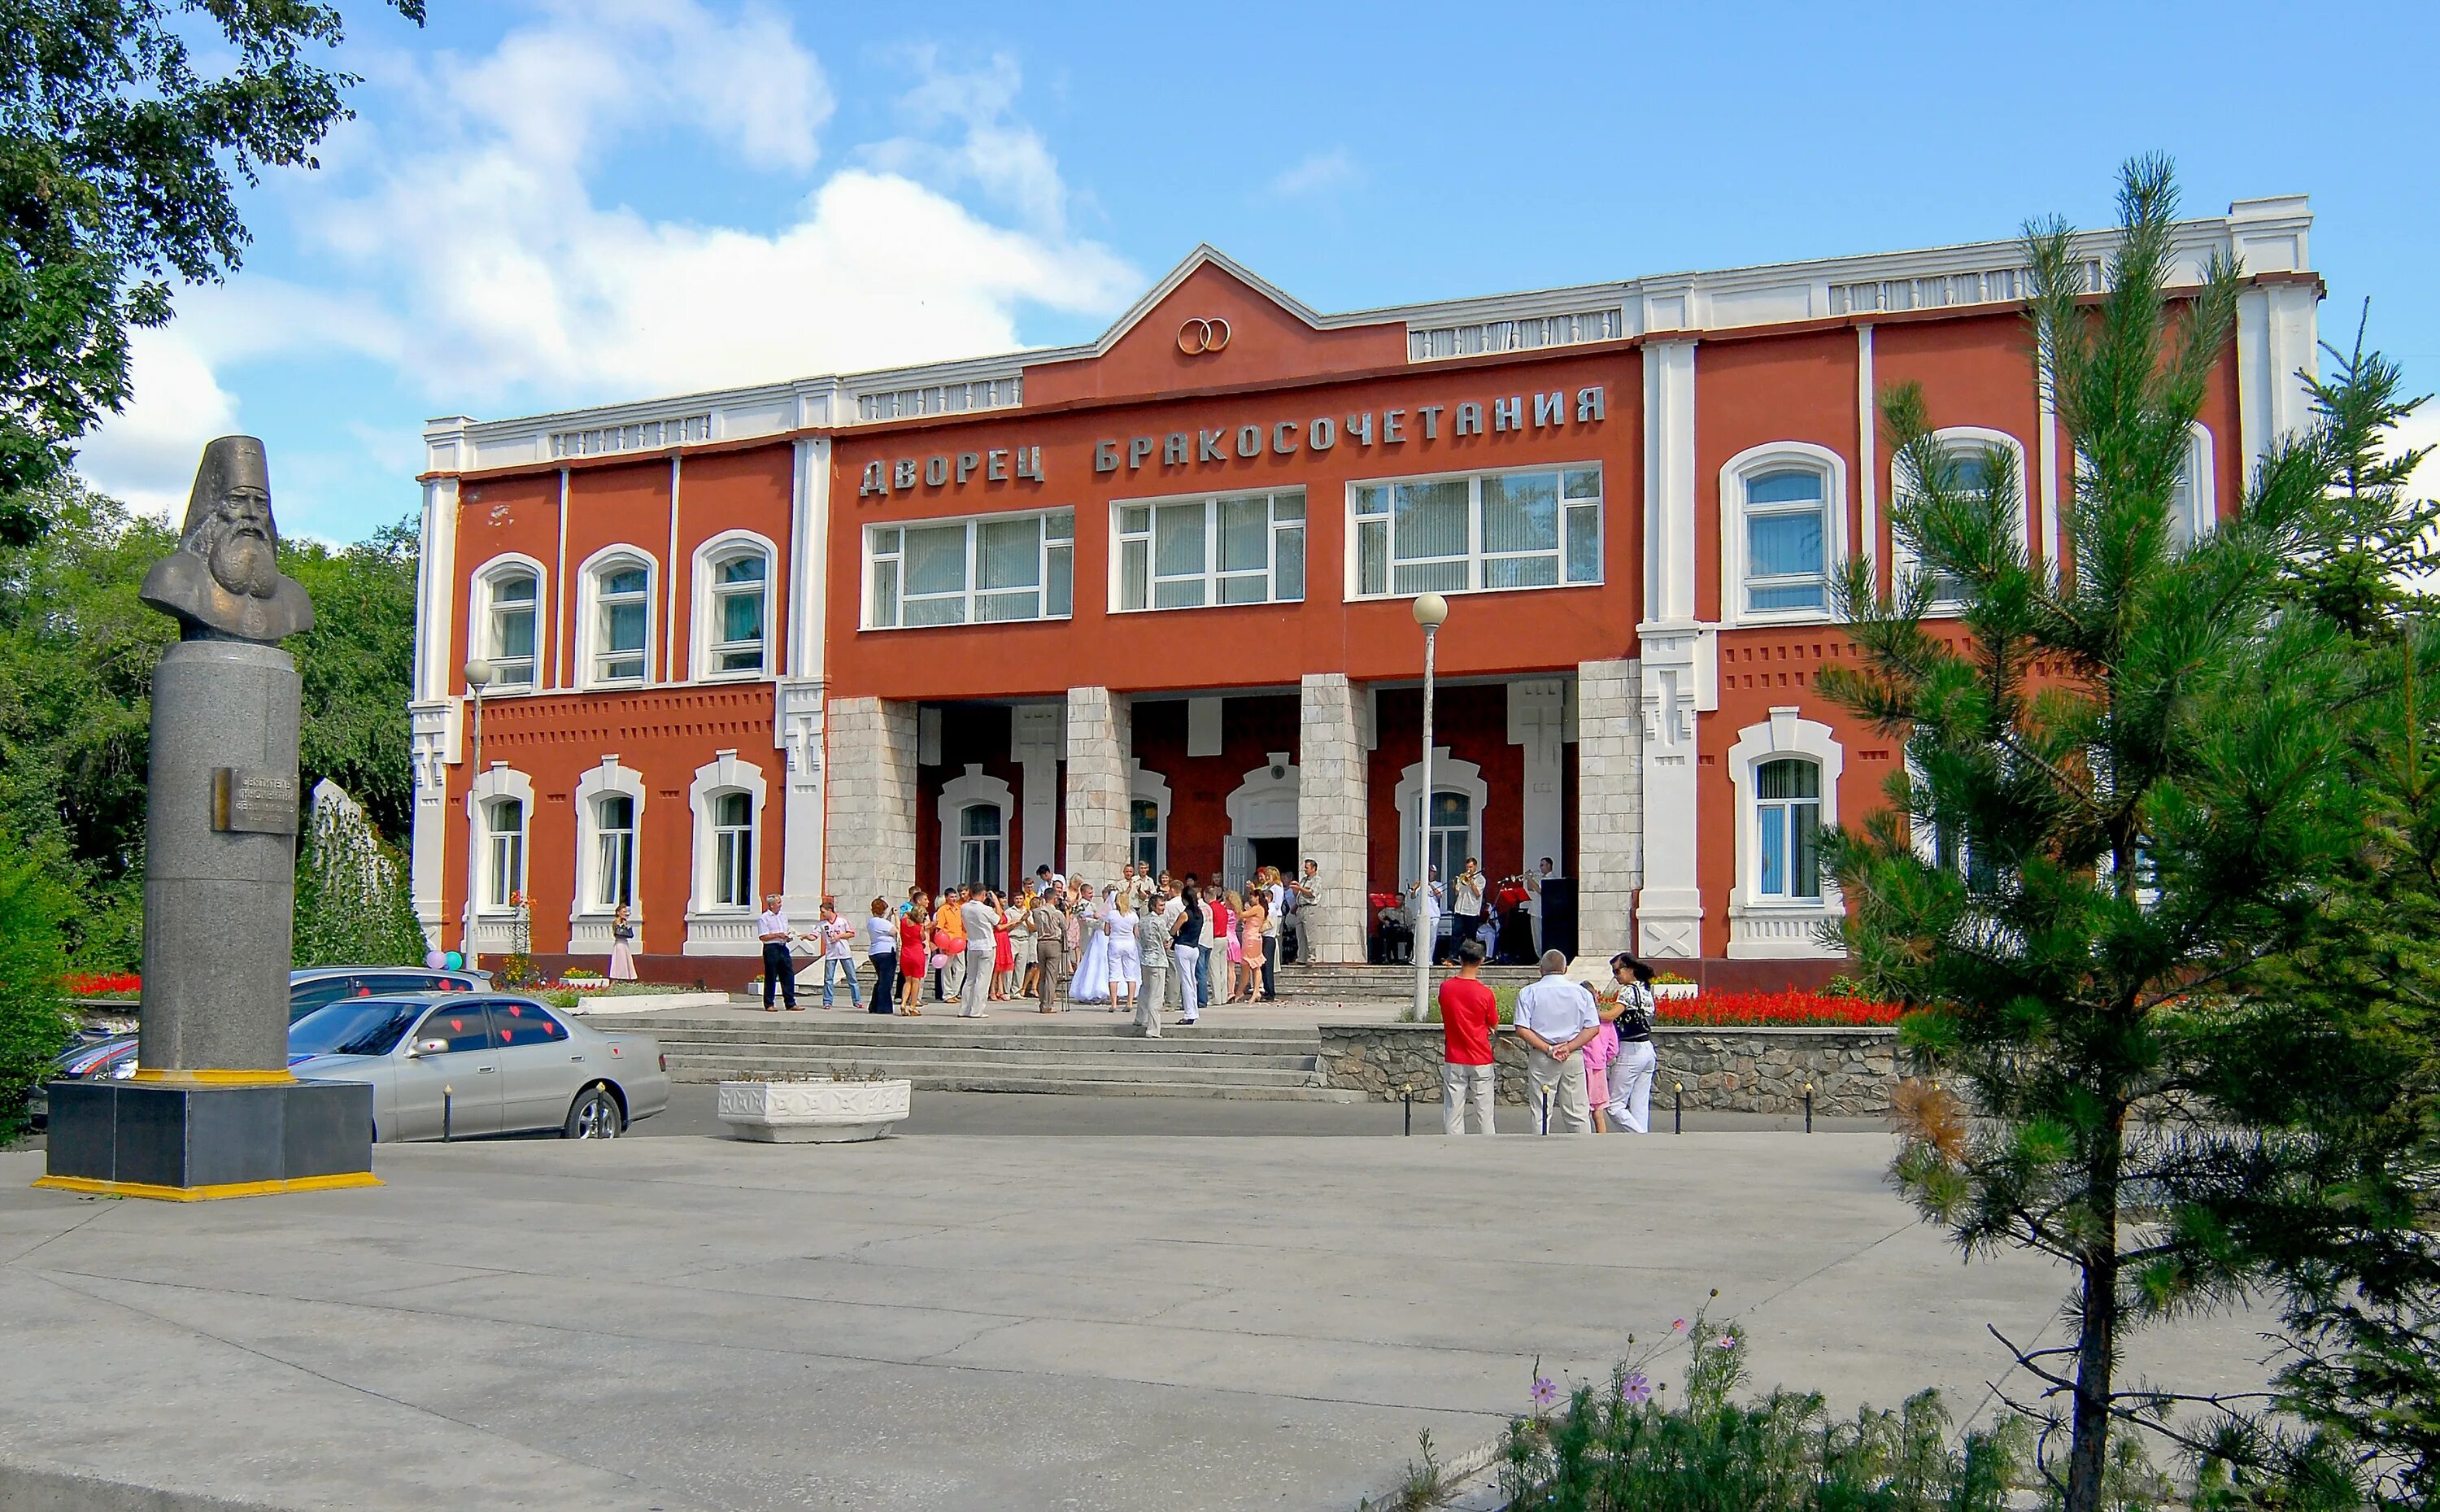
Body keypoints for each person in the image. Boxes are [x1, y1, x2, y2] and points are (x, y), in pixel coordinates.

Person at [1513, 949, 1598, 1132]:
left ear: (1541, 969)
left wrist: (1549, 1049)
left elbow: (1521, 1028)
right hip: (1572, 1054)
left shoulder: (1528, 992)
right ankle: (1583, 1149)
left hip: (1542, 1053)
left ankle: (1541, 1149)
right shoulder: (1581, 993)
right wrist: (1569, 1047)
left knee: (1541, 1110)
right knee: (1577, 1110)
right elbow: (1593, 1028)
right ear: (1565, 969)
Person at [1438, 939, 1499, 1134]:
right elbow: (1493, 1023)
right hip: (1480, 1056)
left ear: (1459, 959)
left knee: (1453, 1109)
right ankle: (1488, 1147)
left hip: (1455, 1055)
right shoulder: (1485, 993)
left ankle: (1454, 1148)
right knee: (1485, 1111)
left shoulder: (1446, 988)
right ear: (1481, 961)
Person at [1598, 954, 1660, 1134]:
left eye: (1617, 971)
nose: (1615, 976)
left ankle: (1640, 1137)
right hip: (1647, 1048)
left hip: (1631, 1049)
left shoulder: (1628, 990)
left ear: (1629, 969)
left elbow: (1611, 1015)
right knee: (1639, 1104)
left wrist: (1589, 1011)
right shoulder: (1646, 988)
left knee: (1615, 1106)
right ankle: (1642, 1139)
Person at [1168, 879, 1206, 1025]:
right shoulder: (1200, 913)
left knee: (1186, 981)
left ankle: (1189, 1013)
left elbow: (1173, 930)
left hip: (1183, 946)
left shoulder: (1185, 914)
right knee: (1191, 979)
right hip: (1194, 947)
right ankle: (1193, 1011)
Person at [1135, 883, 1172, 1036]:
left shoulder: (1142, 920)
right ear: (1153, 906)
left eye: (1163, 905)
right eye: (1160, 905)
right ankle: (1153, 1028)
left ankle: (1140, 1018)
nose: (1162, 908)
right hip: (1157, 960)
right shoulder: (1159, 921)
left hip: (1145, 959)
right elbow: (1166, 939)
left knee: (1145, 989)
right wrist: (1168, 943)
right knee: (1156, 996)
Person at [1068, 884, 1112, 1005]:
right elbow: (1086, 922)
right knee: (1090, 962)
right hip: (1088, 936)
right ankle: (1088, 989)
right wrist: (1098, 922)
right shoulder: (1082, 905)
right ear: (1083, 893)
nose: (1092, 895)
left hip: (1097, 936)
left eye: (1092, 893)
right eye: (1089, 893)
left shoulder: (1093, 905)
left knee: (1096, 963)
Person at [756, 892, 800, 1011]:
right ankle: (769, 1003)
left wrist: (787, 937)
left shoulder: (783, 916)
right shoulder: (764, 918)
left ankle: (790, 1003)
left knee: (788, 974)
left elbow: (786, 930)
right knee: (771, 975)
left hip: (783, 946)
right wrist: (777, 935)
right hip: (771, 948)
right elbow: (763, 937)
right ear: (771, 905)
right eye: (778, 902)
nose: (780, 905)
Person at [959, 887, 999, 1017]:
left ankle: (964, 1009)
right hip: (986, 945)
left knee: (970, 978)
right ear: (983, 894)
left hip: (972, 944)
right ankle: (977, 1010)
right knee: (983, 979)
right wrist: (996, 902)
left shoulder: (964, 907)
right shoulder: (985, 909)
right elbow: (999, 920)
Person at [1027, 887, 1067, 1013]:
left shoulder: (1037, 912)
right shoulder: (1057, 913)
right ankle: (1047, 1005)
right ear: (1055, 898)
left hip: (1041, 942)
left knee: (1043, 975)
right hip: (1053, 942)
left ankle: (1042, 1002)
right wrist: (1067, 913)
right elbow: (1065, 927)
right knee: (1051, 976)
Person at [1104, 887, 1142, 1017]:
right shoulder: (1133, 915)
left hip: (1115, 942)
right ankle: (1129, 1002)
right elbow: (1136, 933)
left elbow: (1107, 932)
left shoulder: (1111, 915)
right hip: (1129, 943)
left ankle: (1114, 1003)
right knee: (1130, 974)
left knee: (1114, 974)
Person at [817, 897, 861, 1009]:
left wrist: (840, 936)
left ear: (830, 911)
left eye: (823, 912)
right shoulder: (822, 924)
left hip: (844, 952)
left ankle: (857, 1000)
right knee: (828, 979)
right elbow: (814, 935)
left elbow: (851, 933)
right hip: (831, 953)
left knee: (852, 978)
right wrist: (807, 937)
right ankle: (827, 1001)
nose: (822, 914)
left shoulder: (842, 921)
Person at [931, 888, 967, 1003]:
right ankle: (947, 994)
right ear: (946, 897)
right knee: (947, 969)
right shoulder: (942, 910)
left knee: (961, 968)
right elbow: (939, 927)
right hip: (947, 941)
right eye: (951, 897)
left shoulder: (959, 908)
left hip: (959, 941)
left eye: (955, 897)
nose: (954, 899)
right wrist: (941, 944)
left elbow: (963, 925)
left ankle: (954, 992)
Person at [864, 897, 898, 1013]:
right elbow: (896, 931)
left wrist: (889, 918)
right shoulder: (882, 923)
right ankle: (884, 1007)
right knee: (886, 981)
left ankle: (874, 1005)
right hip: (886, 951)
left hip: (875, 951)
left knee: (881, 980)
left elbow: (884, 927)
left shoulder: (871, 922)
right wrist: (897, 917)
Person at [896, 893, 927, 1014]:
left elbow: (904, 915)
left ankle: (904, 1002)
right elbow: (923, 939)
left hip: (905, 953)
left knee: (907, 980)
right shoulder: (919, 928)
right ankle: (912, 1006)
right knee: (916, 982)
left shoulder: (904, 922)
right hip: (917, 953)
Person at [1236, 890, 1268, 1003]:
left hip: (1252, 939)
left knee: (1250, 965)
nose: (1250, 900)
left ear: (1257, 898)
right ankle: (1252, 992)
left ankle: (1244, 992)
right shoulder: (1255, 909)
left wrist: (1236, 903)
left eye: (1252, 897)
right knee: (1253, 966)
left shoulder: (1258, 908)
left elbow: (1242, 915)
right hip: (1251, 938)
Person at [1285, 859, 1318, 965]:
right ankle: (1302, 958)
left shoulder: (1316, 880)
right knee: (1300, 934)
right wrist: (1296, 890)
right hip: (1300, 908)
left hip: (1310, 908)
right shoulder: (1304, 880)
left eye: (1307, 868)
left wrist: (1300, 888)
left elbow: (1312, 893)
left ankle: (1312, 957)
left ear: (1313, 869)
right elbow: (1300, 894)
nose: (1305, 870)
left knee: (1310, 933)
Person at [1452, 859, 1487, 960]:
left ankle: (1471, 958)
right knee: (1456, 934)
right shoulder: (1462, 877)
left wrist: (1471, 882)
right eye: (1467, 867)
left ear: (1476, 867)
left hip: (1472, 911)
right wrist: (1455, 886)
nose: (1469, 869)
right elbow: (1457, 893)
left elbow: (1477, 894)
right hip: (1460, 909)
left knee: (1470, 936)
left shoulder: (1480, 879)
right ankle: (1454, 956)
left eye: (1471, 867)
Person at [991, 893, 1017, 1001]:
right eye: (1002, 898)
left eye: (1005, 897)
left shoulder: (1002, 910)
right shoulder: (994, 911)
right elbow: (999, 926)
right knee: (997, 966)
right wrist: (1011, 923)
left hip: (1004, 937)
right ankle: (992, 990)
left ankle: (1000, 990)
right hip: (998, 937)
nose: (1004, 900)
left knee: (1002, 966)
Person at [608, 903, 638, 983]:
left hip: (625, 943)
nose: (625, 914)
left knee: (625, 961)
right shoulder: (616, 922)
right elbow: (617, 932)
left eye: (626, 912)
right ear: (618, 913)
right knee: (619, 961)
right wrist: (622, 925)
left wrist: (626, 925)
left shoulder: (625, 922)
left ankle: (626, 978)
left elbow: (629, 934)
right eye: (623, 912)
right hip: (619, 944)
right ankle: (616, 978)